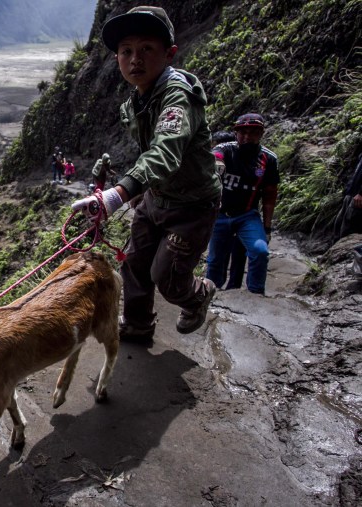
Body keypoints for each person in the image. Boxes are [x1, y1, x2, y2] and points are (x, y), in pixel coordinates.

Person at [71, 6, 221, 342]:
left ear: (169, 54)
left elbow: (165, 151)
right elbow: (148, 152)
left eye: (146, 49)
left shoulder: (177, 95)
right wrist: (136, 192)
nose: (135, 59)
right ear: (117, 59)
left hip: (192, 205)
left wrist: (117, 194)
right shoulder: (137, 101)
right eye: (126, 51)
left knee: (166, 276)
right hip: (156, 198)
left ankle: (198, 294)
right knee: (134, 262)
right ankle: (137, 324)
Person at [205, 113, 279, 295]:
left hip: (247, 216)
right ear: (235, 133)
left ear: (261, 133)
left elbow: (270, 196)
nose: (246, 137)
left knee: (259, 251)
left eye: (252, 133)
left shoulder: (268, 159)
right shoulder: (227, 149)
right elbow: (216, 154)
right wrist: (217, 162)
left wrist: (267, 228)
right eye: (242, 132)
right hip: (220, 214)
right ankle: (208, 297)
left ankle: (255, 295)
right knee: (214, 260)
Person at [211, 131, 247, 289]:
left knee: (231, 252)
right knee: (225, 253)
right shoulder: (220, 159)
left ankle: (225, 287)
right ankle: (225, 286)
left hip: (235, 213)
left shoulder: (236, 160)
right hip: (226, 213)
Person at [332, 155, 362, 242]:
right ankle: (333, 252)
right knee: (339, 224)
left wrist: (361, 193)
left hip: (358, 198)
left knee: (348, 229)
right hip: (351, 194)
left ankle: (343, 253)